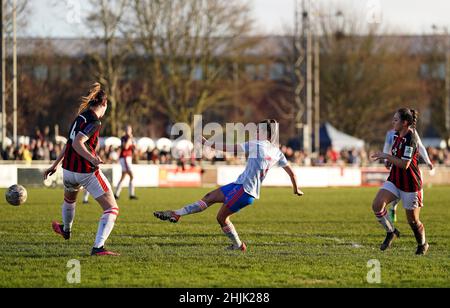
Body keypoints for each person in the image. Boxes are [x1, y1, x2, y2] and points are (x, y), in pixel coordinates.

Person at [154, 119, 304, 251]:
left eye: (258, 130)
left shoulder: (256, 144)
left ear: (265, 134)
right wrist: (296, 189)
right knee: (209, 197)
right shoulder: (278, 153)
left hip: (244, 191)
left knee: (221, 218)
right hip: (238, 185)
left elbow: (229, 148)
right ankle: (177, 213)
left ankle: (238, 246)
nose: (255, 132)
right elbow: (292, 173)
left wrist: (207, 143)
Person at [44, 82, 120, 256]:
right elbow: (78, 143)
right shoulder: (94, 121)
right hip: (85, 171)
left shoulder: (80, 117)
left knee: (70, 200)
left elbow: (69, 143)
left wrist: (54, 165)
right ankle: (98, 247)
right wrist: (92, 158)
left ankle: (66, 229)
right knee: (112, 209)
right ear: (105, 104)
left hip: (68, 170)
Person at [371, 108, 429, 255]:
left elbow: (405, 164)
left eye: (396, 120)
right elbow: (397, 155)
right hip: (395, 180)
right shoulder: (397, 134)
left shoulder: (412, 139)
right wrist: (389, 160)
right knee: (377, 205)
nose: (393, 122)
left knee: (413, 221)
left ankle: (422, 244)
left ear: (404, 123)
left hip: (410, 185)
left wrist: (386, 156)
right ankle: (391, 232)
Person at [383, 128, 434, 223]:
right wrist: (387, 160)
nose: (394, 122)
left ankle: (414, 216)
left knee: (411, 193)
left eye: (396, 119)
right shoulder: (390, 133)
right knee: (396, 188)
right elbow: (386, 147)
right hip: (396, 166)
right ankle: (393, 208)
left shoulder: (413, 132)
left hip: (410, 168)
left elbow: (420, 146)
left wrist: (428, 161)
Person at [114, 125, 138, 200]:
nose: (128, 131)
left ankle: (116, 194)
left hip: (128, 158)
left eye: (129, 130)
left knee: (123, 176)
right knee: (131, 175)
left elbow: (135, 149)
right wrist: (130, 139)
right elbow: (126, 147)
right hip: (124, 158)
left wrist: (134, 146)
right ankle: (131, 194)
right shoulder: (124, 138)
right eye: (127, 129)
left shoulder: (132, 139)